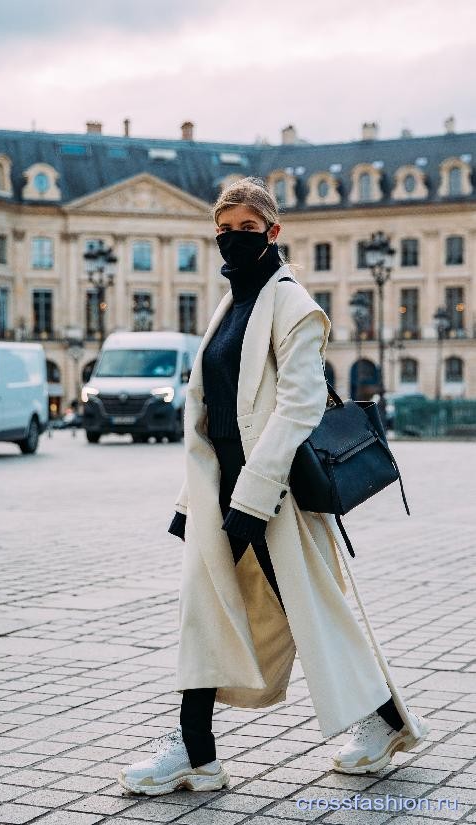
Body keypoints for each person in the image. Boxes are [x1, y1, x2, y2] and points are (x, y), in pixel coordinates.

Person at [118, 177, 429, 797]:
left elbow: (298, 408)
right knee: (203, 612)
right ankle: (196, 749)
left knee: (313, 614)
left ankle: (383, 721)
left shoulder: (295, 306)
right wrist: (192, 502)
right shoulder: (230, 307)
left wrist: (252, 499)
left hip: (273, 494)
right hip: (221, 489)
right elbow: (213, 414)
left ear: (274, 233)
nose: (234, 241)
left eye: (247, 230)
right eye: (225, 230)